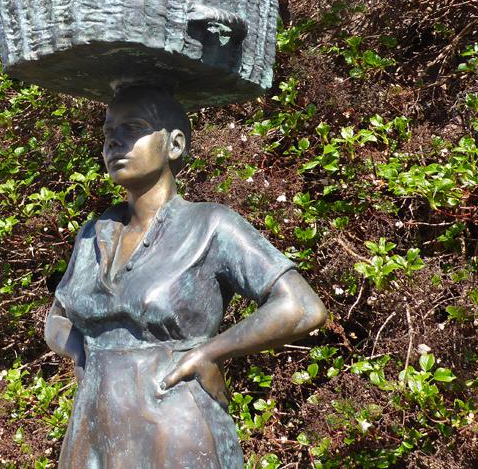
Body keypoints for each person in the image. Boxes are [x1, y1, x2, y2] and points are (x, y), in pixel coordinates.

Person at [45, 84, 328, 468]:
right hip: (93, 429)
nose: (114, 142)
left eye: (133, 128)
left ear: (175, 144)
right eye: (109, 132)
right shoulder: (92, 235)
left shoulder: (210, 225)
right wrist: (83, 354)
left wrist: (209, 352)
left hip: (175, 426)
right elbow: (58, 317)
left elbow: (301, 307)